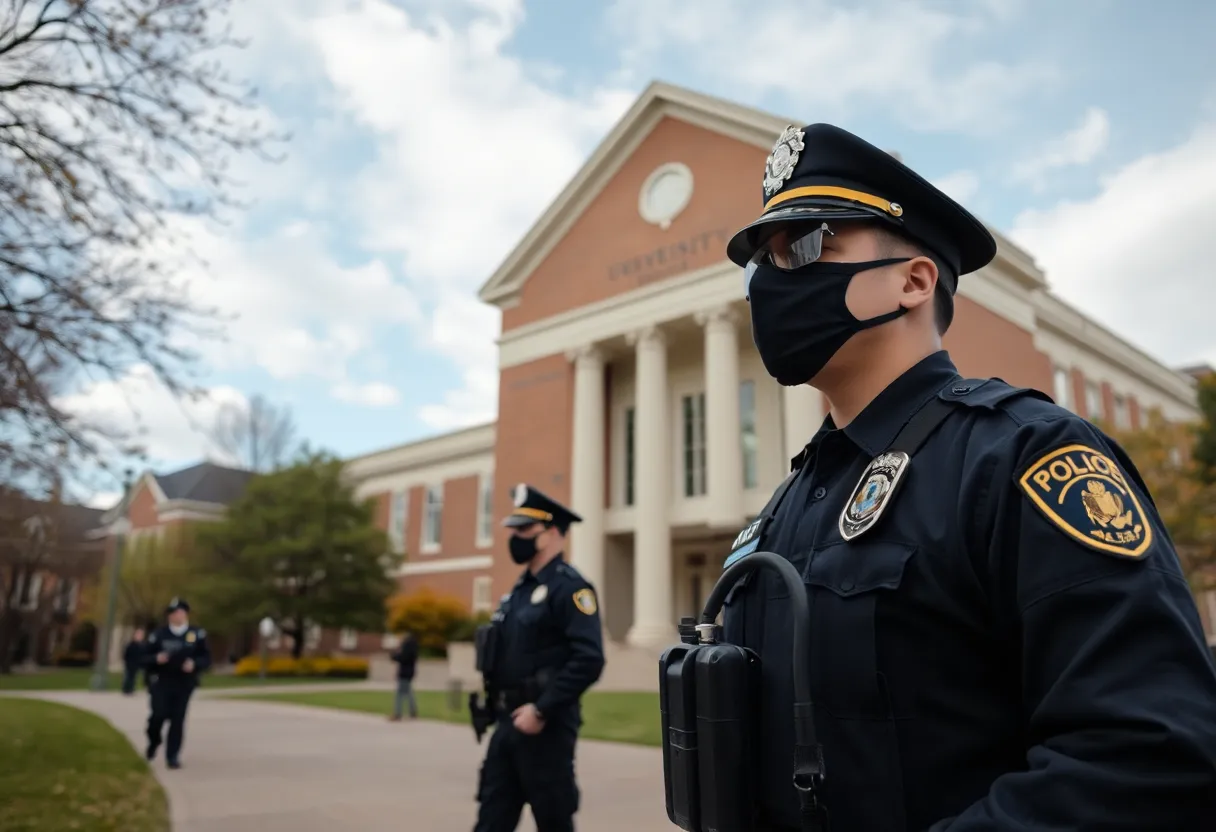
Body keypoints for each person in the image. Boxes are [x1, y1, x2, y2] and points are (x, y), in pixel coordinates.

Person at [719, 122, 1216, 830]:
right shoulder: (782, 509)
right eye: (758, 264)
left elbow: (1148, 757)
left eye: (804, 247)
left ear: (914, 281)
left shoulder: (1022, 456)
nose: (770, 283)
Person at [472, 483, 606, 832]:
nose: (514, 537)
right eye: (513, 529)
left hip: (545, 729)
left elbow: (589, 659)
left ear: (549, 534)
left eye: (523, 529)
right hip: (507, 724)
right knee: (490, 821)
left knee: (553, 822)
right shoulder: (516, 593)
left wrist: (542, 709)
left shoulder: (571, 588)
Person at [143, 597, 211, 769]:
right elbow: (144, 657)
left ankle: (172, 756)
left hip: (184, 683)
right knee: (158, 715)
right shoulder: (159, 634)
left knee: (177, 719)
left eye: (179, 612)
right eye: (172, 613)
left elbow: (206, 658)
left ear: (185, 614)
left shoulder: (196, 634)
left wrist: (194, 664)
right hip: (162, 681)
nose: (176, 616)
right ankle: (154, 741)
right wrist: (156, 659)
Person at [389, 629, 419, 721]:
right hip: (410, 672)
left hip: (405, 672)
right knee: (408, 692)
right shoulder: (414, 645)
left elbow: (403, 657)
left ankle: (397, 713)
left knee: (399, 694)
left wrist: (394, 656)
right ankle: (413, 711)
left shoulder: (407, 645)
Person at [121, 627, 145, 695]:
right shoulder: (131, 645)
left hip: (137, 664)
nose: (140, 636)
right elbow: (126, 654)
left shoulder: (142, 645)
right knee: (128, 676)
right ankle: (126, 689)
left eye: (141, 635)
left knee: (134, 677)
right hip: (130, 663)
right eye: (138, 634)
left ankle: (131, 689)